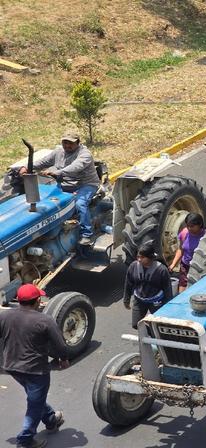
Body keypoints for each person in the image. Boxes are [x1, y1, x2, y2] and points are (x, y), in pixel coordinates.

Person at [0, 284, 69, 448]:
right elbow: (60, 345)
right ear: (38, 300)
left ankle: (51, 419)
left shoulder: (4, 316)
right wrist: (63, 359)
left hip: (11, 366)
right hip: (36, 371)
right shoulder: (44, 320)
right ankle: (25, 439)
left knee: (35, 397)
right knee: (35, 404)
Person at [18, 131, 100, 246]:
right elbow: (44, 162)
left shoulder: (85, 154)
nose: (67, 145)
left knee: (80, 203)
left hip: (86, 184)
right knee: (48, 202)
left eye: (70, 143)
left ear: (78, 143)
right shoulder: (58, 152)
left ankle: (86, 234)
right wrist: (26, 167)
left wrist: (57, 172)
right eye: (64, 142)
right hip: (65, 183)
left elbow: (76, 167)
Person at [123, 242, 173, 329]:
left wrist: (168, 306)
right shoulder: (133, 266)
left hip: (156, 301)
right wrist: (126, 299)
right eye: (138, 257)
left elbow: (167, 289)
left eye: (142, 257)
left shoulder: (161, 270)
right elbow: (128, 283)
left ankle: (155, 335)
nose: (139, 259)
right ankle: (149, 333)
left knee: (159, 326)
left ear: (150, 257)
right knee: (136, 324)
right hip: (139, 299)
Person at [169, 212, 206, 293]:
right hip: (185, 266)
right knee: (182, 284)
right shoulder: (185, 233)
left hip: (199, 267)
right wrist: (173, 264)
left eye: (192, 226)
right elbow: (181, 249)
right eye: (187, 226)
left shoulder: (205, 236)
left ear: (199, 224)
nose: (189, 228)